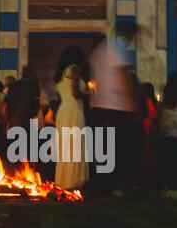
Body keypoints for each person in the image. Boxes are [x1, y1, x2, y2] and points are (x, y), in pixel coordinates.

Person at [89, 21, 139, 194]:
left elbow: (94, 82)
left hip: (100, 106)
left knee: (103, 149)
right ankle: (112, 186)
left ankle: (101, 186)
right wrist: (132, 101)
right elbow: (121, 75)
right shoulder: (117, 49)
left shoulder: (99, 51)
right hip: (115, 106)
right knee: (119, 148)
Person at [54, 45, 90, 190]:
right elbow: (75, 93)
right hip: (74, 109)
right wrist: (90, 94)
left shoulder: (63, 72)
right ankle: (73, 182)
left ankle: (64, 181)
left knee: (65, 148)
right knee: (74, 146)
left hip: (63, 110)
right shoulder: (74, 69)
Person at [156, 73, 177, 188]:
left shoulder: (164, 100)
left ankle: (165, 183)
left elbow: (159, 119)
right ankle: (176, 183)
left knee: (165, 163)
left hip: (165, 135)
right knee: (176, 162)